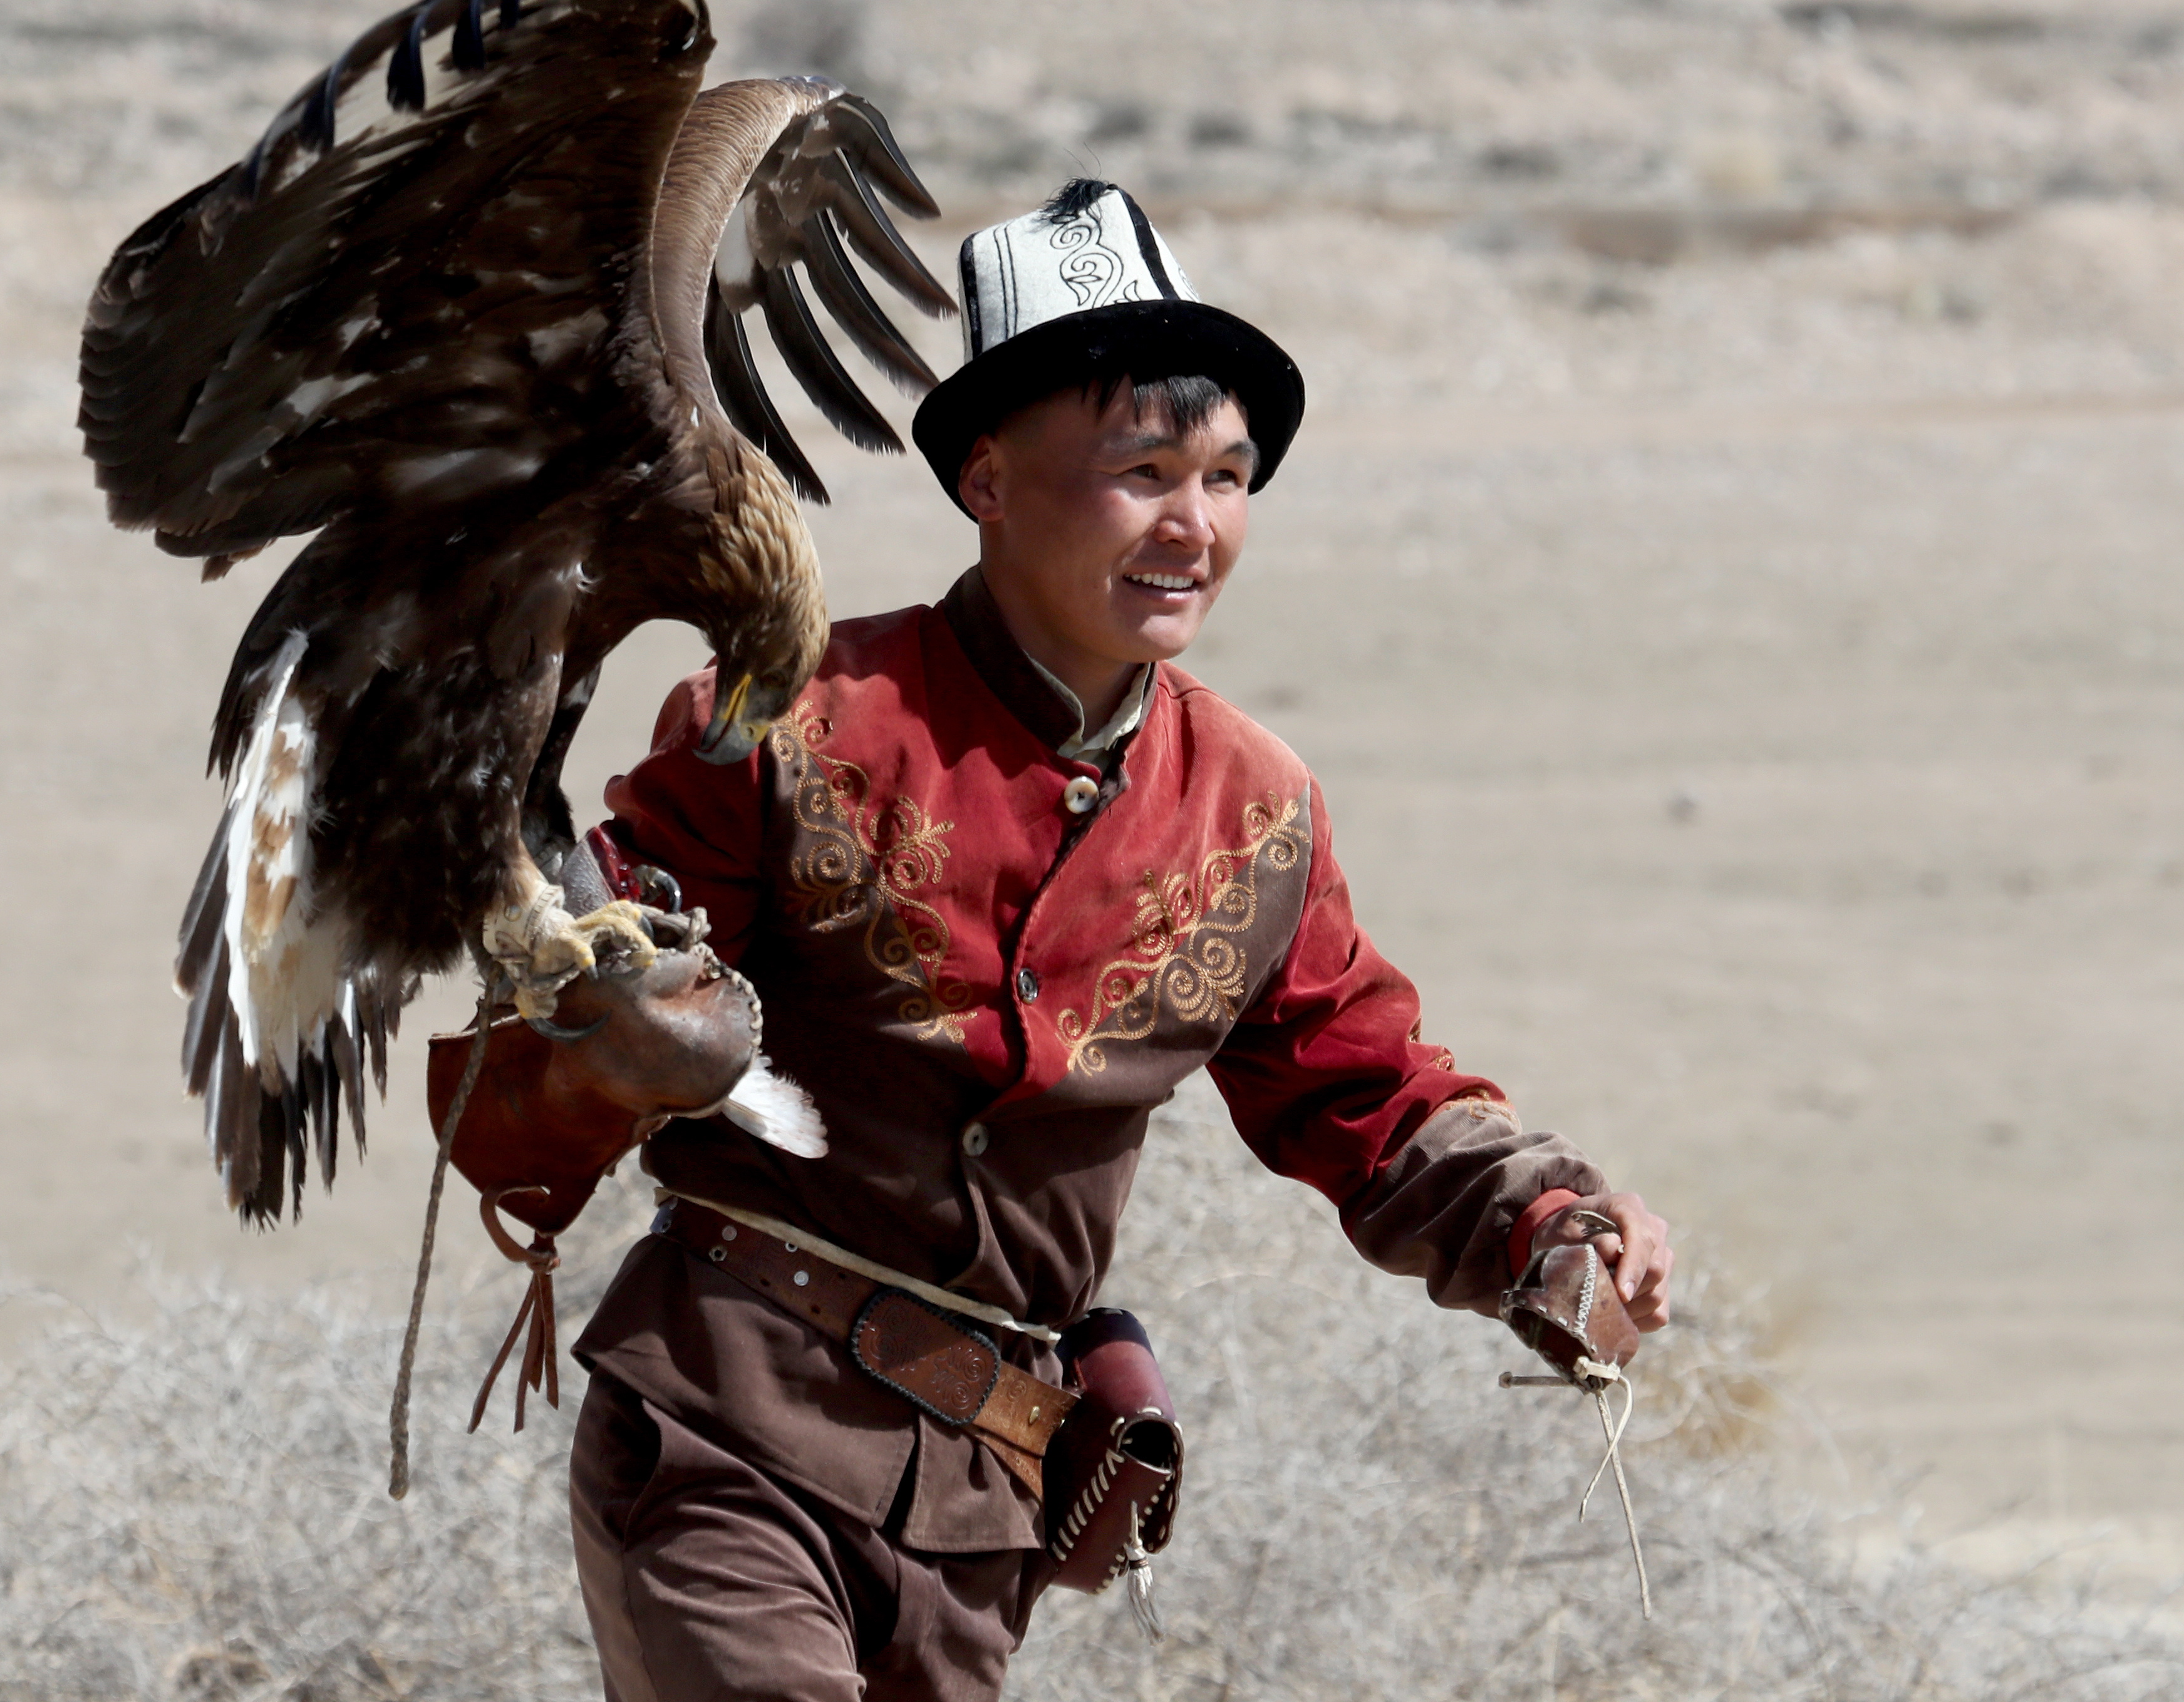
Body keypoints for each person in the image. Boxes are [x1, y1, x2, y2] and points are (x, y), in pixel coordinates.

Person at [563, 178, 1674, 1702]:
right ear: (988, 480)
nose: (1193, 525)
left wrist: (1546, 1214)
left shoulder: (1254, 813)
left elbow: (1367, 1097)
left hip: (980, 1510)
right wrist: (601, 991)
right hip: (722, 1428)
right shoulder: (789, 715)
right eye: (1140, 470)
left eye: (1225, 477)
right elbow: (592, 969)